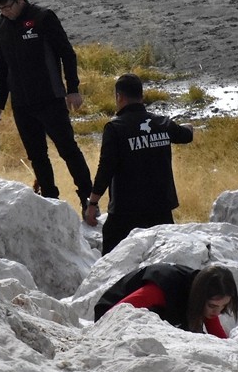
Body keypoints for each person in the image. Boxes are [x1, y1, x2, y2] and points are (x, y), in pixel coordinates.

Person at [0, 0, 94, 208]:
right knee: (37, 155)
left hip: (50, 98)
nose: (5, 13)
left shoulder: (43, 18)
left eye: (8, 7)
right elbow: (2, 67)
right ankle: (50, 200)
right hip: (22, 103)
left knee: (68, 149)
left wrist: (73, 89)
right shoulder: (1, 28)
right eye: (0, 9)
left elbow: (67, 53)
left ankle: (88, 198)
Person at [83, 73, 194, 255]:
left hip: (126, 212)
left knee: (112, 261)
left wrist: (92, 203)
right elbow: (186, 135)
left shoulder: (115, 128)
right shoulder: (162, 123)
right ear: (141, 96)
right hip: (161, 208)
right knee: (165, 257)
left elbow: (105, 169)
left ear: (119, 97)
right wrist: (189, 126)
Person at [94, 263, 238, 338]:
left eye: (223, 306)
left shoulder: (203, 294)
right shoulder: (162, 290)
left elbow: (215, 328)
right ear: (201, 298)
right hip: (110, 315)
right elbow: (116, 312)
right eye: (213, 306)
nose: (217, 312)